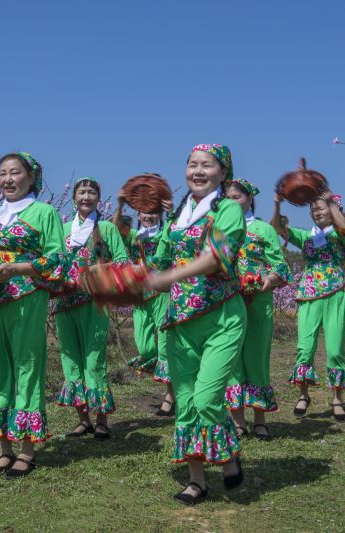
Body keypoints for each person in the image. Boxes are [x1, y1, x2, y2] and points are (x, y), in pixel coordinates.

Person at [146, 144, 246, 505]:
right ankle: (197, 480)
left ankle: (229, 453)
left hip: (222, 316)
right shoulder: (175, 219)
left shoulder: (229, 210)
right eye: (192, 165)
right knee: (186, 401)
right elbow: (158, 260)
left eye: (207, 165)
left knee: (206, 398)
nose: (198, 171)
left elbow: (217, 257)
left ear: (223, 172)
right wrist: (124, 280)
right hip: (180, 320)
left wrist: (169, 275)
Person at [0, 152, 66, 478]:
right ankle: (4, 448)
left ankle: (27, 449)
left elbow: (58, 258)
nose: (8, 179)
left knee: (28, 367)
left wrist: (18, 267)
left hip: (28, 295)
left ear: (31, 177)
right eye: (2, 173)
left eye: (15, 172)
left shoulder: (44, 213)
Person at [272, 189, 345, 421]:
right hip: (309, 294)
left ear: (334, 210)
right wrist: (277, 205)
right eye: (313, 209)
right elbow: (277, 228)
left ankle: (337, 399)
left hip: (334, 294)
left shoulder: (341, 234)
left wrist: (331, 203)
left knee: (335, 349)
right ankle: (304, 395)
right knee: (305, 347)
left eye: (321, 208)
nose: (316, 212)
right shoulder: (306, 237)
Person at [53, 177, 128, 440]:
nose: (86, 197)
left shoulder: (107, 228)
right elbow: (51, 260)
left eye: (91, 193)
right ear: (74, 197)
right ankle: (82, 419)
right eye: (81, 192)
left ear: (98, 198)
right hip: (64, 302)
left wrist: (95, 272)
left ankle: (101, 420)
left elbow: (121, 261)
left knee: (94, 361)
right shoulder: (62, 229)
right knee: (70, 360)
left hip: (94, 303)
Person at [223, 178, 292, 441]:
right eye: (228, 198)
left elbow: (280, 265)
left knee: (257, 358)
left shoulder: (264, 229)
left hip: (258, 300)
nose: (233, 202)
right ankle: (237, 420)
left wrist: (269, 280)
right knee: (231, 359)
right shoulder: (219, 229)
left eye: (237, 197)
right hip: (227, 301)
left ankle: (260, 418)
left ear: (250, 199)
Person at [114, 191, 175, 417]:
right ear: (138, 214)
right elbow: (113, 231)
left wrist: (170, 213)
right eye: (144, 212)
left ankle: (170, 397)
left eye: (153, 212)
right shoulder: (132, 236)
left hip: (162, 293)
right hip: (140, 297)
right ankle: (177, 381)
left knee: (165, 346)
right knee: (146, 348)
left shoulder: (165, 233)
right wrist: (120, 205)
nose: (148, 216)